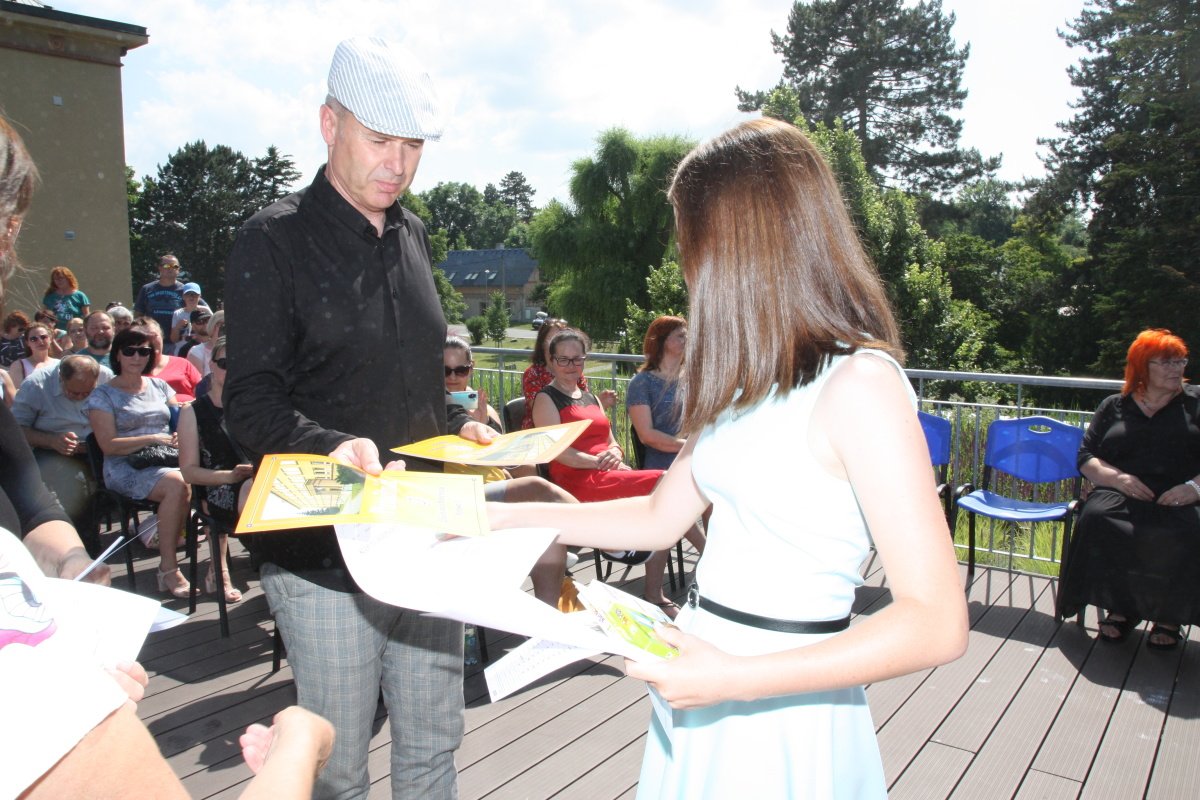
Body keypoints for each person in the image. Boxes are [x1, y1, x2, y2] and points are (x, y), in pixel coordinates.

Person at [491, 118, 968, 797]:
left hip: (779, 704)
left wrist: (734, 679)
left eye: (691, 241)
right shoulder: (745, 385)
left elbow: (937, 621)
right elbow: (657, 516)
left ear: (738, 244)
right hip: (701, 673)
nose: (688, 266)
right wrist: (497, 519)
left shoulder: (859, 384)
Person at [0, 115, 335, 800]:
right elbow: (108, 448)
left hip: (176, 485)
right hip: (154, 473)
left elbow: (29, 498)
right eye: (9, 233)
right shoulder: (166, 402)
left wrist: (72, 572)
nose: (11, 255)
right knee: (184, 484)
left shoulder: (178, 391)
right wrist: (302, 747)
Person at [224, 38, 492, 800]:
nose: (397, 165)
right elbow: (249, 404)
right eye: (380, 140)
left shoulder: (414, 234)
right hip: (323, 555)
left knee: (435, 745)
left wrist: (458, 427)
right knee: (335, 767)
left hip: (425, 532)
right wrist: (333, 446)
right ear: (328, 124)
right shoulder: (271, 240)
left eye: (414, 147)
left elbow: (410, 383)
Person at [534, 328, 701, 617]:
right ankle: (686, 564)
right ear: (551, 361)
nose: (571, 366)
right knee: (665, 484)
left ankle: (647, 566)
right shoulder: (546, 399)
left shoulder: (590, 397)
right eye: (564, 360)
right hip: (575, 482)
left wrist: (616, 454)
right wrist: (598, 462)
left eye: (578, 359)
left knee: (665, 493)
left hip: (605, 473)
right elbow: (559, 453)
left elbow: (612, 441)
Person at [1058, 329, 1200, 650]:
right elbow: (1086, 456)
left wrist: (1193, 488)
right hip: (1122, 489)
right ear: (1142, 366)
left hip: (1181, 493)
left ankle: (1169, 616)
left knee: (1191, 529)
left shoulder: (1195, 404)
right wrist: (1117, 478)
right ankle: (1121, 608)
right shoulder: (1114, 406)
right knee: (1097, 517)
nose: (1176, 369)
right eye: (1166, 362)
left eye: (1180, 361)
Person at [84, 325, 192, 598]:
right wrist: (153, 438)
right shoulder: (102, 395)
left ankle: (218, 568)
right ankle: (168, 568)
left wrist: (178, 433)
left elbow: (178, 420)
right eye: (129, 350)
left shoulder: (160, 386)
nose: (136, 357)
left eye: (143, 351)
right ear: (117, 355)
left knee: (203, 476)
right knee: (179, 484)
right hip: (124, 466)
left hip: (166, 459)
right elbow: (108, 445)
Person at [12, 354, 112, 549]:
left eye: (88, 392)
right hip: (52, 448)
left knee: (117, 479)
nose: (81, 397)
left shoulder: (106, 377)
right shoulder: (35, 385)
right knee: (74, 487)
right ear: (61, 378)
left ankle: (93, 528)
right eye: (74, 393)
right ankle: (82, 546)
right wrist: (51, 441)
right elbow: (17, 430)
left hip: (98, 445)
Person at [177, 336, 246, 604]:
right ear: (211, 365)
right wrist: (230, 476)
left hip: (254, 482)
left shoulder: (252, 408)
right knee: (259, 495)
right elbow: (188, 472)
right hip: (215, 488)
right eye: (225, 363)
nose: (231, 370)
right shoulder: (193, 412)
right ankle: (221, 570)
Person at [520, 317, 616, 429]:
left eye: (563, 337)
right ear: (542, 344)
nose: (560, 342)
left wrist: (597, 403)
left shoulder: (575, 373)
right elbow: (545, 412)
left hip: (577, 428)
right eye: (553, 339)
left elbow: (582, 405)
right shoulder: (533, 374)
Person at [627, 316, 688, 470]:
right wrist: (689, 447)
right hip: (663, 467)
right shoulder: (642, 383)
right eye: (680, 335)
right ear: (662, 341)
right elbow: (646, 436)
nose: (687, 339)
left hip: (696, 461)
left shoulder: (694, 379)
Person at [131, 316, 202, 403]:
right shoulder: (131, 370)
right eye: (143, 338)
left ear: (162, 336)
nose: (149, 342)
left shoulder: (182, 363)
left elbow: (203, 392)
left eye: (153, 336)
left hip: (189, 408)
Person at [133, 253, 185, 350]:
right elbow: (138, 316)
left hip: (177, 343)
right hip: (151, 340)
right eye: (166, 266)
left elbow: (199, 309)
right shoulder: (147, 289)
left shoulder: (185, 290)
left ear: (179, 269)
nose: (170, 269)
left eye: (174, 266)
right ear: (159, 268)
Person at [9, 321, 60, 390]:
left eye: (43, 337)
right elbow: (17, 394)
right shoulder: (19, 365)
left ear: (50, 339)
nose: (40, 341)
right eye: (33, 339)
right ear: (27, 343)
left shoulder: (59, 364)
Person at [169, 281, 211, 352]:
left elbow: (214, 331)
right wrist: (177, 328)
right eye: (188, 294)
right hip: (181, 351)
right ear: (183, 297)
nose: (191, 297)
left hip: (201, 351)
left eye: (194, 294)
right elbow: (174, 340)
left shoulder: (206, 311)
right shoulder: (177, 313)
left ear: (199, 296)